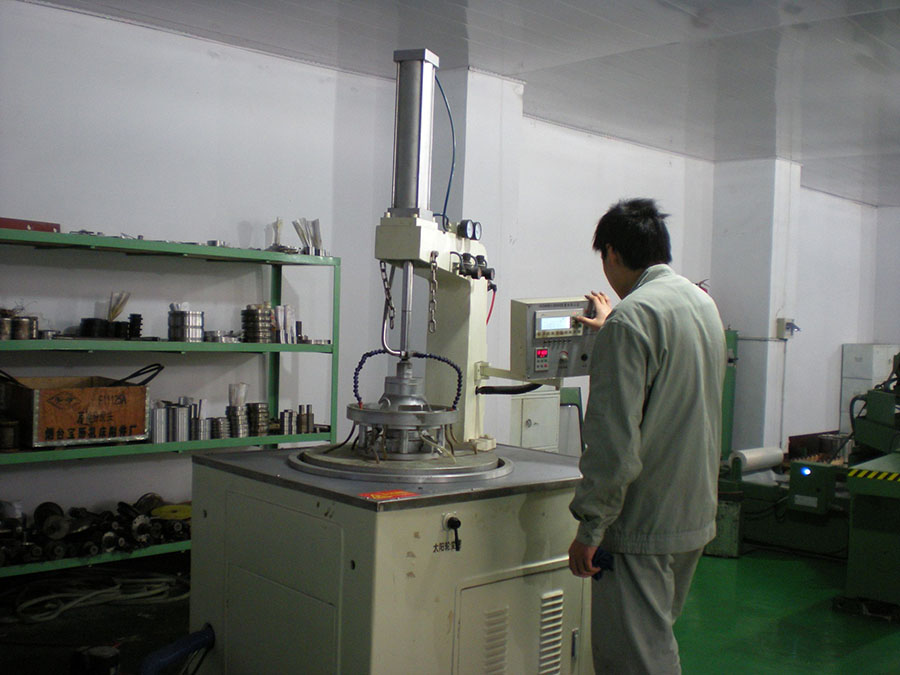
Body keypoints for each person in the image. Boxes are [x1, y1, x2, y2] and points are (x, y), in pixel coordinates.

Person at [568, 198, 725, 674]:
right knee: (655, 639)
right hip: (692, 513)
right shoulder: (701, 304)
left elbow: (613, 442)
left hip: (642, 524)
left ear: (613, 253)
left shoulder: (631, 321)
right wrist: (612, 329)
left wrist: (591, 528)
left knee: (635, 661)